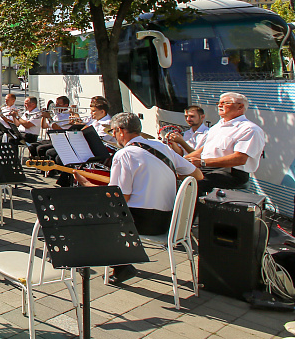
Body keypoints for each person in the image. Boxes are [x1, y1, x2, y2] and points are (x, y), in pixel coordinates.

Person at [75, 113, 202, 285]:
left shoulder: (124, 154)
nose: (113, 135)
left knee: (89, 212)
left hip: (144, 222)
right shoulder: (161, 147)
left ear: (120, 130)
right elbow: (197, 174)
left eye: (113, 131)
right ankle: (121, 265)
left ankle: (102, 262)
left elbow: (120, 198)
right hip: (170, 220)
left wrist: (88, 185)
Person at [186, 92, 266, 196]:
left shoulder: (249, 129)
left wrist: (203, 162)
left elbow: (239, 159)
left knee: (193, 183)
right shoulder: (217, 126)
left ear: (240, 107)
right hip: (208, 167)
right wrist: (179, 160)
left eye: (225, 103)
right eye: (219, 103)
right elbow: (204, 150)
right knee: (175, 175)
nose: (220, 105)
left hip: (231, 173)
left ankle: (196, 211)